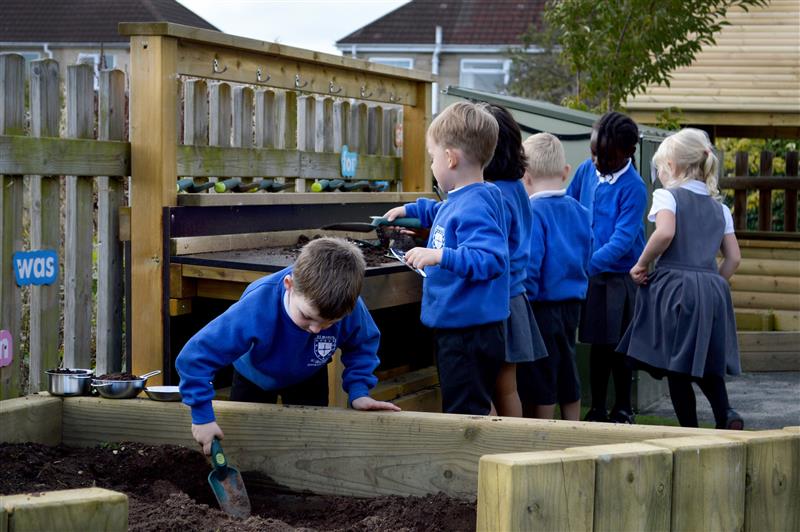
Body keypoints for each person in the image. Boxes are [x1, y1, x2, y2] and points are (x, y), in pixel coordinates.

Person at [176, 237, 401, 455]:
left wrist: (359, 391)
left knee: (309, 442)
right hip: (254, 375)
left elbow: (362, 344)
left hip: (309, 374)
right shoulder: (256, 306)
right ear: (289, 285)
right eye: (307, 317)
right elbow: (195, 357)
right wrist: (202, 416)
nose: (316, 329)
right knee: (246, 442)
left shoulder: (347, 306)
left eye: (329, 323)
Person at [383, 101, 509, 415]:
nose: (431, 165)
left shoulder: (475, 204)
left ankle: (466, 463)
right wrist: (412, 210)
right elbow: (445, 212)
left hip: (468, 331)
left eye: (432, 157)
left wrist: (440, 255)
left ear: (450, 158)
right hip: (466, 327)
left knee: (464, 410)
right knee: (470, 402)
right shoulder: (474, 195)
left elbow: (491, 259)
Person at [617, 128, 743, 429]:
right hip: (712, 289)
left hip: (676, 289)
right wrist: (714, 282)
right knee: (705, 360)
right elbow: (734, 257)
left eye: (660, 169)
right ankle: (725, 413)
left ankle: (689, 428)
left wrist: (642, 263)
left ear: (671, 167)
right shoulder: (720, 208)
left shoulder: (666, 196)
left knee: (676, 365)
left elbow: (665, 233)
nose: (659, 175)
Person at [567, 111, 647, 424]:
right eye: (594, 154)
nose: (598, 161)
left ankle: (624, 407)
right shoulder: (587, 171)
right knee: (599, 344)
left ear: (627, 153)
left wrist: (583, 266)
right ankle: (598, 406)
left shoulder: (634, 187)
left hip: (620, 277)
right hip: (593, 275)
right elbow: (570, 207)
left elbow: (622, 241)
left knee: (620, 347)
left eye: (606, 157)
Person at [519, 133, 591, 421]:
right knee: (567, 362)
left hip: (542, 306)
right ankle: (573, 425)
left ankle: (544, 429)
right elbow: (588, 250)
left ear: (525, 177)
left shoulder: (534, 212)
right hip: (573, 303)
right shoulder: (580, 210)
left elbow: (532, 263)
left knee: (543, 369)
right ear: (565, 172)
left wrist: (525, 297)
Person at [482, 104, 548, 417]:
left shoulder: (493, 193)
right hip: (516, 296)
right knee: (507, 386)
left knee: (488, 386)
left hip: (498, 300)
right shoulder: (516, 187)